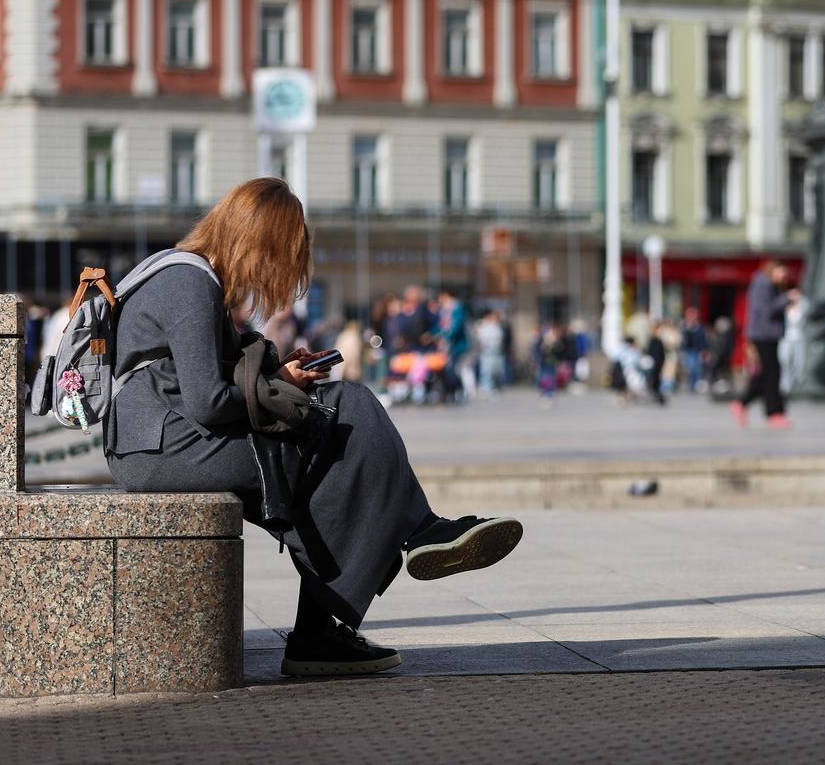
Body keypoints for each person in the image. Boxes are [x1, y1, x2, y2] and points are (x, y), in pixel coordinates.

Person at [104, 178, 523, 677]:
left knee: (344, 424)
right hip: (161, 447)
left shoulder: (189, 277)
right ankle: (379, 569)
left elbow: (204, 389)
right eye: (281, 256)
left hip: (164, 440)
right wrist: (280, 382)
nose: (278, 273)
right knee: (342, 427)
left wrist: (277, 378)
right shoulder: (190, 283)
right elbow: (210, 402)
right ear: (258, 241)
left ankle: (343, 609)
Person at [731, 262, 800, 429]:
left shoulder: (770, 285)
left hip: (769, 334)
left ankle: (743, 403)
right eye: (781, 272)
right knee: (772, 372)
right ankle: (773, 413)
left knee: (769, 373)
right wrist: (787, 299)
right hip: (763, 334)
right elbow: (766, 310)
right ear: (772, 270)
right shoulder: (763, 284)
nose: (783, 276)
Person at [779, 294, 809, 396]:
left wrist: (800, 298)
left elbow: (807, 306)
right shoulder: (784, 308)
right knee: (785, 360)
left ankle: (795, 383)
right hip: (786, 338)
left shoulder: (802, 307)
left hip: (799, 338)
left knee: (798, 362)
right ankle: (785, 385)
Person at [678, 308, 709, 393]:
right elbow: (683, 340)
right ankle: (692, 384)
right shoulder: (684, 327)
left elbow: (703, 340)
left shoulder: (699, 327)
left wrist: (704, 350)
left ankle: (695, 384)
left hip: (697, 350)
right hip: (688, 350)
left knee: (697, 368)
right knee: (691, 367)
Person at [475, 311, 505, 397]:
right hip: (487, 351)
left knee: (496, 370)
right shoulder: (484, 326)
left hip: (497, 351)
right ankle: (486, 387)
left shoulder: (497, 326)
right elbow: (480, 337)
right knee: (486, 370)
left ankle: (495, 387)